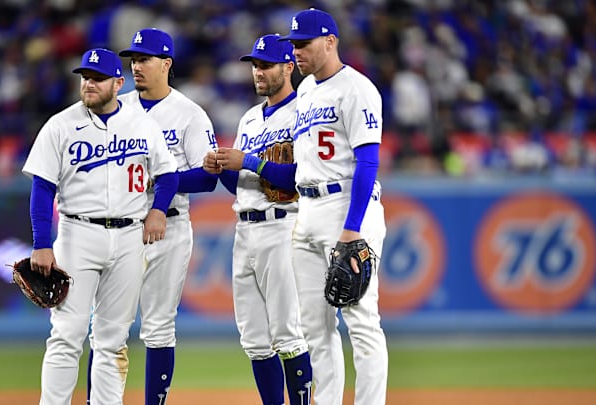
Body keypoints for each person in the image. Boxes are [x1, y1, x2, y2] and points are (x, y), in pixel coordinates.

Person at [22, 47, 179, 405]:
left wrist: (157, 210)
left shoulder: (141, 123)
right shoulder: (60, 125)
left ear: (118, 83)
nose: (89, 84)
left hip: (128, 236)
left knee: (112, 339)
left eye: (97, 78)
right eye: (85, 78)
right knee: (67, 335)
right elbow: (42, 187)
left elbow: (167, 175)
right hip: (78, 235)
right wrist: (41, 243)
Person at [85, 28, 219, 405]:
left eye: (144, 58)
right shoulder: (117, 107)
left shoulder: (190, 114)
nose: (136, 66)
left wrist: (162, 180)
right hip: (120, 227)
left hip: (169, 226)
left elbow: (208, 179)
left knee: (158, 328)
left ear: (166, 63)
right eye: (133, 59)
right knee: (106, 328)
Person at [279, 8, 388, 405]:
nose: (296, 53)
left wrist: (352, 227)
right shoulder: (305, 91)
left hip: (346, 207)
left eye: (303, 44)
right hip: (306, 211)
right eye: (293, 46)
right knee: (314, 326)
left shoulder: (357, 88)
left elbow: (368, 161)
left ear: (330, 41)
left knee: (361, 322)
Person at [203, 34, 312, 405]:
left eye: (266, 65)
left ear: (288, 67)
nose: (258, 72)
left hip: (284, 226)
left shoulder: (303, 110)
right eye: (255, 65)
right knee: (254, 340)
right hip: (245, 229)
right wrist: (220, 168)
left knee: (288, 333)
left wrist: (248, 161)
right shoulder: (250, 117)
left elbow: (299, 177)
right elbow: (241, 185)